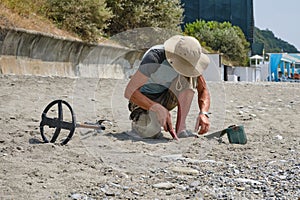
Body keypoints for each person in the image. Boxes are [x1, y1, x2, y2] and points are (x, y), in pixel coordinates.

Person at [124, 35, 211, 139]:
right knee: (150, 132)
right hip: (143, 98)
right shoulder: (154, 57)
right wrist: (157, 107)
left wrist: (203, 113)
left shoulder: (191, 61)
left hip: (166, 96)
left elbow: (203, 89)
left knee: (188, 79)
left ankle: (181, 128)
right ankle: (141, 121)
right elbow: (129, 92)